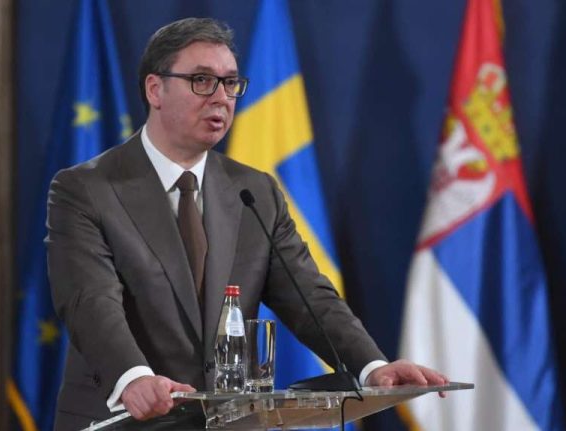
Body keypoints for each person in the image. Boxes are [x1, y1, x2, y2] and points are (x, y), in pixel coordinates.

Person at [46, 17, 447, 430]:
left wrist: (372, 367)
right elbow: (90, 300)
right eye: (202, 81)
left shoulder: (256, 192)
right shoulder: (86, 189)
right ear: (155, 89)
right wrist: (133, 377)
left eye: (231, 83)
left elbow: (311, 298)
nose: (221, 97)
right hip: (124, 419)